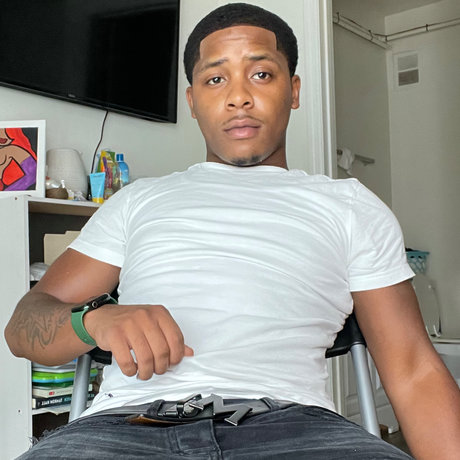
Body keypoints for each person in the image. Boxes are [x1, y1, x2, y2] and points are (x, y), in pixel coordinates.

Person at [5, 3, 460, 459]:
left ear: (293, 90)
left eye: (261, 74)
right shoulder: (138, 200)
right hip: (129, 425)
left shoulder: (350, 206)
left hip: (297, 430)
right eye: (215, 79)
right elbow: (23, 327)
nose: (238, 96)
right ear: (192, 101)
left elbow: (413, 371)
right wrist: (94, 320)